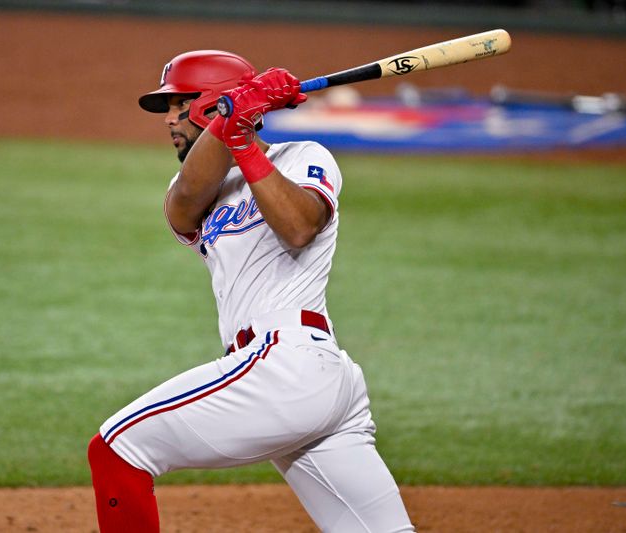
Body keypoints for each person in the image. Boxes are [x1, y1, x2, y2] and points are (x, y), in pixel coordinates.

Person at [87, 50, 415, 533]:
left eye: (180, 105)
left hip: (290, 366)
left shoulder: (303, 157)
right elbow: (183, 203)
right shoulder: (195, 187)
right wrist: (233, 121)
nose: (169, 119)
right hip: (290, 379)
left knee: (116, 450)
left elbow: (300, 226)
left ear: (211, 102)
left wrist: (242, 135)